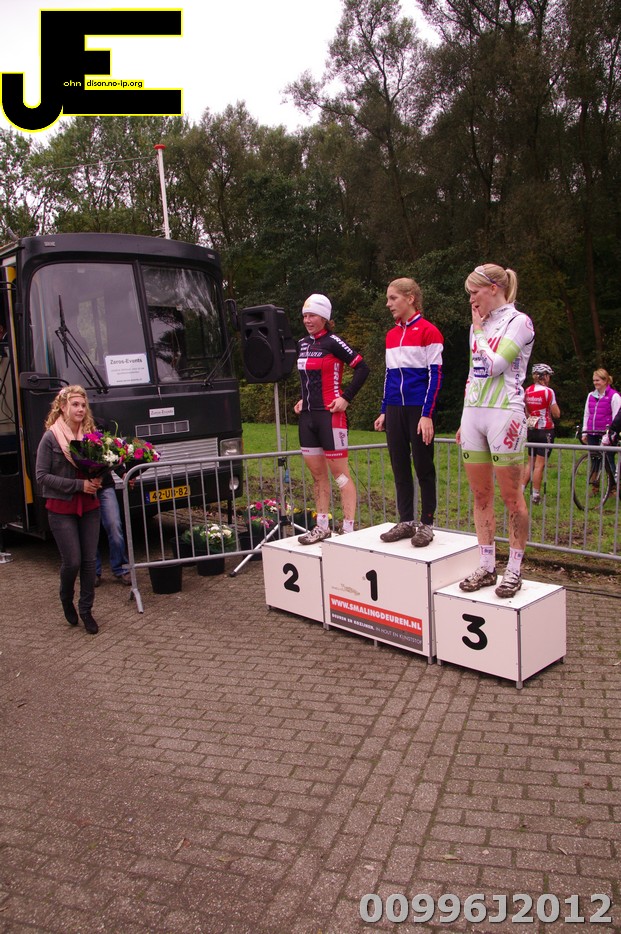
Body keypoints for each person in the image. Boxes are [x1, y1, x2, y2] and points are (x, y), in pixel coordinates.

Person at [456, 264, 535, 598]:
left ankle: (514, 569)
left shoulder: (520, 322)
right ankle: (487, 565)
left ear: (493, 288)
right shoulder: (478, 325)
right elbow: (473, 374)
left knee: (511, 497)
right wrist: (463, 418)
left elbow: (493, 366)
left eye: (474, 292)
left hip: (506, 415)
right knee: (480, 495)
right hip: (474, 414)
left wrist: (478, 331)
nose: (471, 300)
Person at [294, 293, 369, 544]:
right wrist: (303, 399)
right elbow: (308, 380)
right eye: (305, 316)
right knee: (318, 477)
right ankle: (322, 526)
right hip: (307, 418)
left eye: (312, 315)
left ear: (324, 317)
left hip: (331, 417)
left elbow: (362, 368)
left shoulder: (333, 342)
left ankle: (347, 530)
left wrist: (346, 398)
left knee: (341, 476)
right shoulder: (302, 343)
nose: (307, 320)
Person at [374, 277, 444, 547]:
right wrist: (384, 410)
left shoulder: (429, 331)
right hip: (395, 408)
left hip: (418, 408)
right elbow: (388, 376)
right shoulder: (391, 335)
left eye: (393, 298)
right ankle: (406, 521)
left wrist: (427, 414)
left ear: (410, 298)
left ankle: (427, 524)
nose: (388, 304)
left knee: (424, 466)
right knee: (399, 466)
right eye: (388, 299)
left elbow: (435, 376)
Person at [35, 385, 102, 634]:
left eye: (83, 405)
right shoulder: (51, 437)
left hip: (89, 505)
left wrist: (100, 477)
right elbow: (41, 476)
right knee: (72, 561)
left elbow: (100, 466)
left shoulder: (91, 435)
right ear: (63, 407)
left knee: (89, 561)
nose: (80, 409)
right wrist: (78, 485)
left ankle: (86, 610)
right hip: (61, 507)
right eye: (75, 404)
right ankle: (66, 597)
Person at [522, 363, 560, 504]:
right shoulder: (548, 392)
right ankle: (536, 495)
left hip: (532, 429)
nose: (549, 378)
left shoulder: (527, 390)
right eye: (548, 375)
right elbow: (556, 414)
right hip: (546, 430)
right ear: (544, 376)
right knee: (540, 465)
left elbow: (526, 412)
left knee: (530, 463)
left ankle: (520, 490)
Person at [581, 368, 620, 496]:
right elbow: (587, 414)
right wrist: (584, 432)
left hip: (607, 433)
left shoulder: (614, 396)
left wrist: (612, 434)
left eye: (597, 380)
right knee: (594, 460)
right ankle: (594, 487)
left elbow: (617, 416)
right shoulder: (590, 396)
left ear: (605, 381)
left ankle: (613, 488)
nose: (595, 383)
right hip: (592, 432)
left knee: (608, 460)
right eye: (594, 380)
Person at [95, 471, 131, 586]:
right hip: (85, 488)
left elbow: (114, 460)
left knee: (114, 525)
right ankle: (92, 571)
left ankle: (121, 567)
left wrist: (124, 474)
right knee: (90, 531)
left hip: (105, 486)